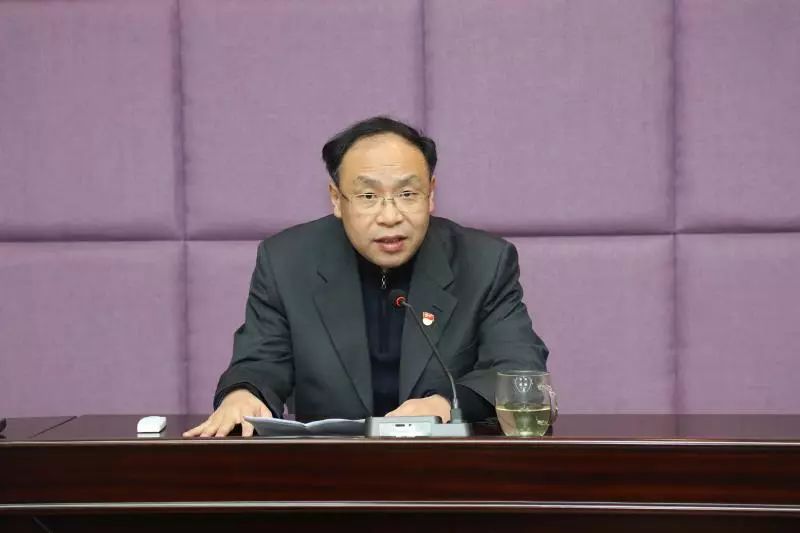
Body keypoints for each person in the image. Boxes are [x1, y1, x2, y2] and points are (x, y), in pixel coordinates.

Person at [184, 116, 548, 438]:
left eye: (408, 193)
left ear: (431, 195)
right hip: (329, 473)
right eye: (369, 196)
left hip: (446, 470)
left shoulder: (483, 262)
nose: (390, 216)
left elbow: (520, 368)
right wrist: (244, 393)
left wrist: (444, 404)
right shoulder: (287, 261)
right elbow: (261, 360)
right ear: (336, 199)